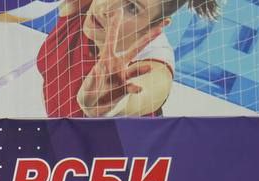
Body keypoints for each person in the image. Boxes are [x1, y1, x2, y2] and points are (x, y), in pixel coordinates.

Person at [37, 0, 218, 118]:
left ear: (156, 25)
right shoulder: (81, 7)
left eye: (131, 7)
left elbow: (152, 89)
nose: (106, 8)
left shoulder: (154, 61)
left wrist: (111, 104)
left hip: (119, 162)